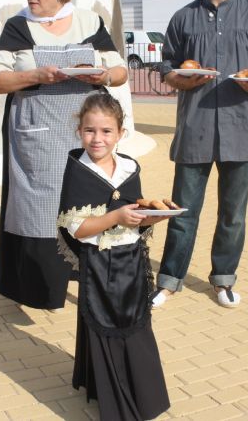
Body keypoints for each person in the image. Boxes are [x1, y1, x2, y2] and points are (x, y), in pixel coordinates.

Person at [0, 0, 128, 310]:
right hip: (39, 134)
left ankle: (96, 284)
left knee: (88, 205)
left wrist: (102, 76)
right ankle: (43, 287)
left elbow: (120, 71)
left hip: (86, 132)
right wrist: (35, 76)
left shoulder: (89, 22)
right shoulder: (18, 26)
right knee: (41, 212)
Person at [152, 0, 248, 308]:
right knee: (183, 212)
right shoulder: (183, 17)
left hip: (240, 127)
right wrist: (178, 80)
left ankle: (224, 278)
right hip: (195, 128)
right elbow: (168, 65)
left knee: (233, 214)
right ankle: (169, 280)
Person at [57, 94, 170, 420]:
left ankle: (143, 396)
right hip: (100, 265)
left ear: (121, 133)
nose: (98, 138)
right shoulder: (78, 170)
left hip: (131, 262)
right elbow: (77, 228)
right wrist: (116, 217)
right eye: (90, 130)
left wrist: (151, 218)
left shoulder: (129, 168)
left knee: (136, 328)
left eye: (106, 131)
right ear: (79, 130)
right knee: (106, 327)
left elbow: (135, 216)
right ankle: (119, 405)